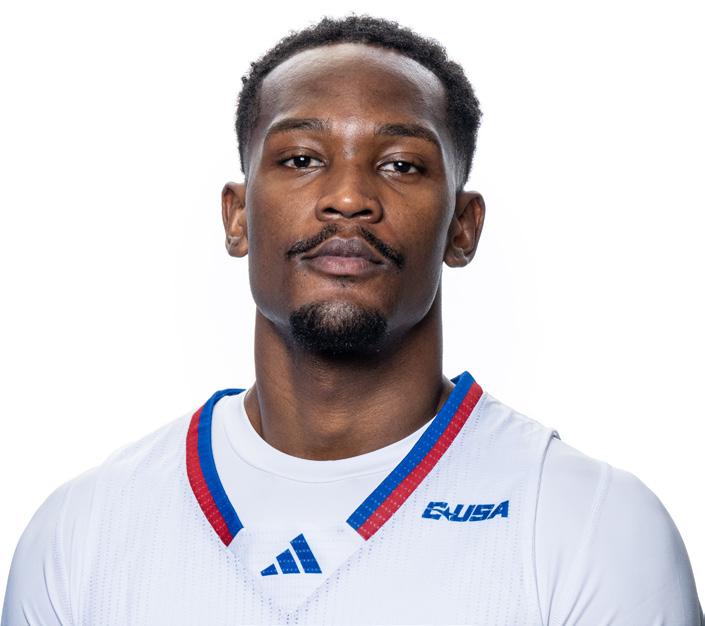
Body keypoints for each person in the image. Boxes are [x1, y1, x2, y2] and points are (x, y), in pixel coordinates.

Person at [2, 13, 702, 626]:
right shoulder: (83, 530)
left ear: (462, 228)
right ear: (237, 216)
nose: (347, 197)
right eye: (301, 158)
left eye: (400, 165)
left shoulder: (590, 523)